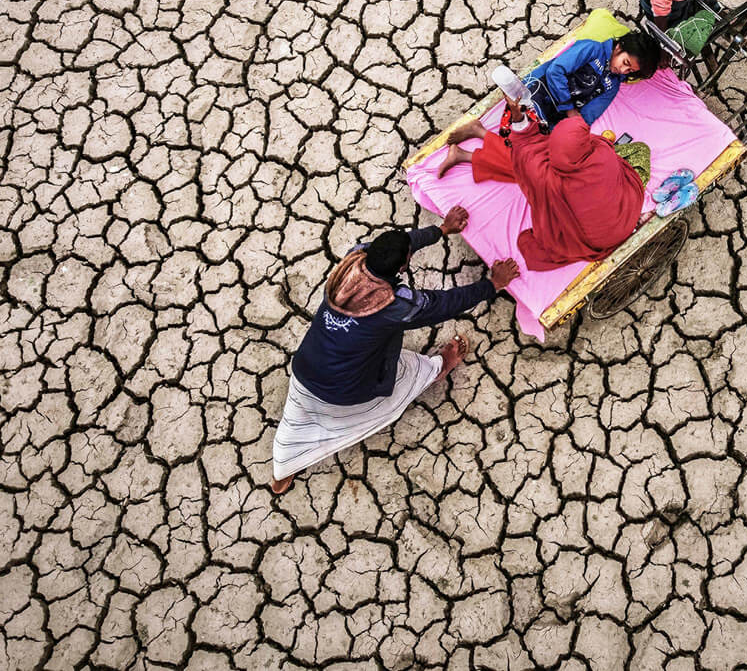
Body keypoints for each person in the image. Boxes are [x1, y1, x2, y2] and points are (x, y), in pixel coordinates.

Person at [269, 206, 520, 494]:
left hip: (305, 366)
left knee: (292, 424)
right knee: (409, 371)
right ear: (403, 267)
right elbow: (445, 304)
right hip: (345, 388)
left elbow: (399, 244)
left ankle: (281, 476)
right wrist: (492, 284)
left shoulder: (355, 257)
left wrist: (441, 230)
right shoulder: (394, 305)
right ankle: (441, 366)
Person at [436, 112, 648, 271]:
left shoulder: (546, 177)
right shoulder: (603, 153)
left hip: (605, 228)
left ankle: (472, 144)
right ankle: (470, 146)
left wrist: (524, 128)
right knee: (524, 166)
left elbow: (523, 154)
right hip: (622, 221)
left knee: (522, 166)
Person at [521, 30, 661, 129]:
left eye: (630, 70)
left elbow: (588, 116)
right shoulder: (592, 49)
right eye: (625, 63)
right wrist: (569, 109)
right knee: (521, 127)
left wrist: (576, 128)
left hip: (558, 114)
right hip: (539, 89)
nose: (623, 71)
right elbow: (555, 71)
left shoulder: (613, 85)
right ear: (618, 48)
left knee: (545, 144)